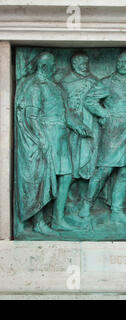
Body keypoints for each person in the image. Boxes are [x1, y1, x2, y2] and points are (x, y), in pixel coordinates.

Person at [78, 51, 126, 225]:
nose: (123, 64)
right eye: (120, 61)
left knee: (124, 172)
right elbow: (90, 100)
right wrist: (105, 114)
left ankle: (117, 210)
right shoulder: (107, 82)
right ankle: (87, 203)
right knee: (104, 170)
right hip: (113, 130)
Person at [16, 52, 74, 235]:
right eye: (52, 64)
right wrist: (42, 139)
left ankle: (58, 219)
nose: (55, 66)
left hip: (60, 137)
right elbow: (31, 117)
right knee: (40, 181)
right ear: (43, 66)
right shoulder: (35, 87)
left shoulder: (54, 86)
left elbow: (63, 113)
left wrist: (77, 125)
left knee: (66, 175)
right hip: (46, 137)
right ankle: (39, 222)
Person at [60, 52, 99, 185]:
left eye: (86, 63)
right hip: (72, 124)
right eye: (81, 64)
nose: (85, 66)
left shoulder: (93, 81)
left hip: (91, 122)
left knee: (90, 158)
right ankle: (70, 196)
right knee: (73, 160)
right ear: (74, 65)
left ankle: (85, 197)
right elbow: (62, 106)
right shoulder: (65, 83)